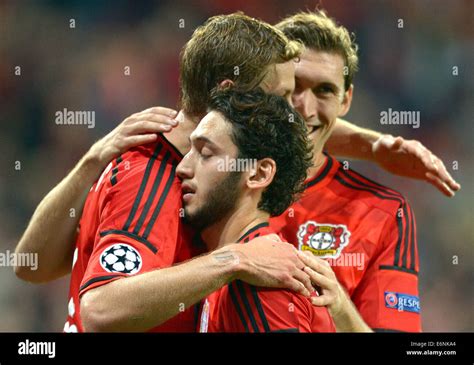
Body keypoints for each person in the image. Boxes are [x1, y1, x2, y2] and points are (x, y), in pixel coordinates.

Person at [14, 12, 459, 332]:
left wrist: (374, 145)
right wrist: (235, 261)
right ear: (232, 95)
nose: (295, 110)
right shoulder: (157, 178)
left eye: (318, 92)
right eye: (282, 96)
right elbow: (97, 310)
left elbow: (29, 266)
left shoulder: (180, 156)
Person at [270, 10, 425, 332]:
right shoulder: (207, 179)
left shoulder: (382, 212)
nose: (305, 108)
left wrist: (339, 305)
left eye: (324, 91)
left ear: (345, 101)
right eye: (294, 86)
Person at [178, 87, 334, 332]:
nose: (182, 167)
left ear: (259, 173)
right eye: (189, 151)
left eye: (206, 153)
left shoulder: (266, 285)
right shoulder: (238, 268)